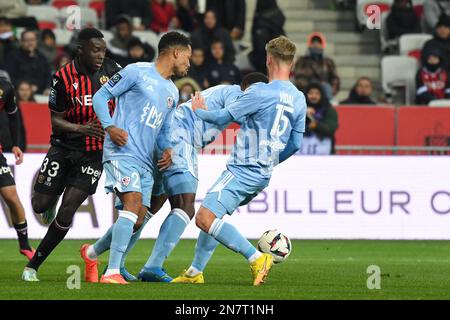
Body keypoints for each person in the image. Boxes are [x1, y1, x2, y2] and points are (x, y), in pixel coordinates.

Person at [172, 36, 306, 286]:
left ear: (268, 59)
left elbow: (223, 115)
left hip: (243, 170)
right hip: (262, 174)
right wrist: (270, 162)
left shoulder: (260, 91)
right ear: (292, 62)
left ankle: (256, 258)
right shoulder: (299, 98)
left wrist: (198, 109)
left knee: (204, 217)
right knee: (214, 215)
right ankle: (194, 272)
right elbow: (296, 144)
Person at [79, 31, 191, 285]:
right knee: (131, 206)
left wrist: (168, 150)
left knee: (139, 217)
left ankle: (91, 252)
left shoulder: (172, 92)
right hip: (121, 152)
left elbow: (163, 131)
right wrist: (109, 126)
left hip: (146, 162)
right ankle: (112, 272)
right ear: (175, 52)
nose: (189, 63)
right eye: (187, 56)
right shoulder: (135, 71)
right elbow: (100, 96)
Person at [135, 72, 268, 282]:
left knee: (151, 206)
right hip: (181, 136)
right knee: (185, 206)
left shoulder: (230, 93)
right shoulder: (237, 94)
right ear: (247, 88)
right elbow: (235, 116)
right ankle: (152, 266)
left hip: (174, 135)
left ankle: (105, 258)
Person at [21, 28, 122, 282]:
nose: (100, 55)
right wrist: (82, 128)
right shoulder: (63, 77)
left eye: (103, 50)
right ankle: (50, 200)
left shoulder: (113, 71)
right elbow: (56, 121)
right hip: (63, 148)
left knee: (68, 211)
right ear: (81, 50)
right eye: (95, 50)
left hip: (94, 154)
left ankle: (33, 265)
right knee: (39, 205)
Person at [0, 73, 34, 260]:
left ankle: (25, 245)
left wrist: (15, 144)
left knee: (11, 195)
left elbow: (13, 117)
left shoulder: (6, 87)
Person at [294, 32, 340, 100]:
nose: (315, 45)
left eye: (318, 43)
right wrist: (311, 86)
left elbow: (335, 80)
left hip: (324, 92)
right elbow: (298, 77)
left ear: (322, 45)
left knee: (327, 87)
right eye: (313, 42)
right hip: (305, 90)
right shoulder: (301, 61)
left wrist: (321, 86)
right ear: (309, 45)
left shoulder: (328, 62)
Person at [5, 29, 51, 94]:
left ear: (36, 41)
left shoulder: (42, 58)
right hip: (18, 93)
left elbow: (48, 76)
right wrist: (26, 87)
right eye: (27, 40)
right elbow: (8, 76)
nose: (30, 43)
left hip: (40, 92)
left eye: (32, 40)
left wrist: (47, 88)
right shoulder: (13, 56)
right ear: (21, 42)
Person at [300, 83, 338, 155]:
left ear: (322, 95)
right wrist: (303, 113)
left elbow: (330, 130)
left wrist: (314, 124)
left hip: (323, 152)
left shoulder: (329, 110)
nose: (313, 96)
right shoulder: (298, 109)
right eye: (311, 93)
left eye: (317, 94)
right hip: (300, 153)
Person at [248, 0, 285, 74]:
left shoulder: (260, 21)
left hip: (263, 62)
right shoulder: (277, 20)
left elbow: (259, 46)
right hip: (277, 62)